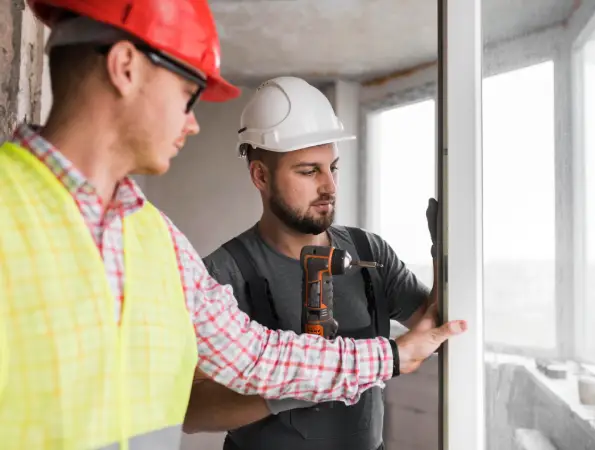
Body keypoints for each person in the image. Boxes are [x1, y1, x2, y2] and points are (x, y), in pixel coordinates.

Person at [0, 0, 466, 448]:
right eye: (188, 95)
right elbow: (196, 401)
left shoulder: (155, 238)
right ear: (125, 67)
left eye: (332, 167)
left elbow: (257, 356)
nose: (194, 123)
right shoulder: (9, 210)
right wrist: (393, 356)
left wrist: (396, 351)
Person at [183, 76, 445, 450]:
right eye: (309, 171)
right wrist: (289, 390)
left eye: (332, 168)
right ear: (260, 175)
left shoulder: (369, 251)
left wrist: (445, 256)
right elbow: (191, 409)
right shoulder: (223, 275)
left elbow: (429, 332)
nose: (330, 187)